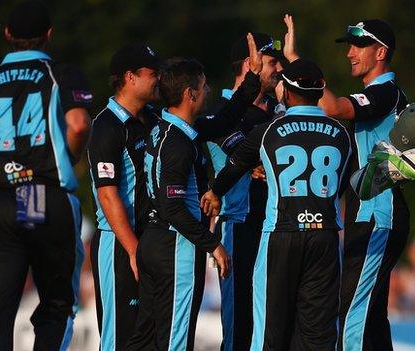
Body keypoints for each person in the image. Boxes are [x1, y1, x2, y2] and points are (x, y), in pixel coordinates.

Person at [202, 58, 352, 351]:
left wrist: (215, 191)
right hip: (326, 237)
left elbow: (235, 165)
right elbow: (341, 185)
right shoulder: (342, 135)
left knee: (269, 331)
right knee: (318, 335)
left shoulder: (269, 131)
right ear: (321, 91)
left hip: (281, 234)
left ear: (286, 93)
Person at [0, 1, 92, 349]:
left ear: (7, 34)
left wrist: (1, 158)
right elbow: (79, 124)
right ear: (48, 35)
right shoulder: (61, 74)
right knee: (56, 300)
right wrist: (71, 154)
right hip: (41, 193)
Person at [126, 34, 262, 350]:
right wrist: (213, 244)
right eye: (203, 87)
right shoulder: (178, 144)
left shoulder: (170, 128)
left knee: (145, 339)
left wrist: (252, 77)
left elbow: (227, 117)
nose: (208, 91)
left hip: (155, 242)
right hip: (174, 247)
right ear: (190, 94)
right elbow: (173, 208)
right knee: (175, 339)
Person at [282, 17, 410, 350]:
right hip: (371, 214)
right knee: (371, 316)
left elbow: (332, 107)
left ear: (380, 52)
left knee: (351, 311)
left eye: (358, 46)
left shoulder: (386, 92)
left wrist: (298, 65)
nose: (350, 53)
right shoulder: (380, 94)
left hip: (377, 215)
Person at [205, 32, 283, 351]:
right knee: (240, 328)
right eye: (272, 60)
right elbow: (247, 159)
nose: (279, 67)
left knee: (272, 328)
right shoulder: (220, 113)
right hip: (240, 226)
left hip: (276, 228)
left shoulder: (277, 111)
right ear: (249, 64)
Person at [87, 43, 161, 350]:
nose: (159, 79)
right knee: (120, 338)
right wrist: (134, 251)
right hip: (119, 244)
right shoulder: (106, 126)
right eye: (153, 73)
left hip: (151, 240)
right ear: (130, 77)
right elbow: (108, 196)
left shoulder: (154, 118)